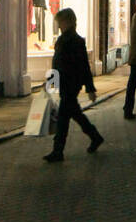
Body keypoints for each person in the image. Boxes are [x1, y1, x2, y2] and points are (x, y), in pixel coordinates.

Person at [43, 8, 104, 162]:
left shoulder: (76, 41)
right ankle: (95, 136)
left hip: (70, 83)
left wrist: (90, 88)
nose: (59, 25)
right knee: (74, 114)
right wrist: (51, 83)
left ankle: (58, 151)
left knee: (63, 118)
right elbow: (56, 63)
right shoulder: (63, 39)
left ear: (67, 21)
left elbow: (84, 66)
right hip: (64, 82)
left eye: (60, 22)